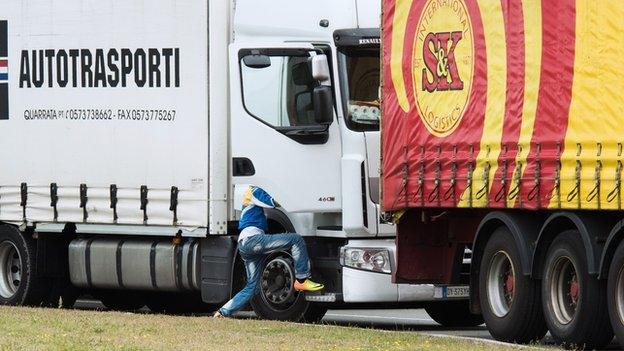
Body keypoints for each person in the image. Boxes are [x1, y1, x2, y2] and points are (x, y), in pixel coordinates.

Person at [214, 186, 323, 318]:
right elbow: (272, 202)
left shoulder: (250, 197)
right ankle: (301, 280)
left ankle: (223, 312)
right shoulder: (253, 190)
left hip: (245, 244)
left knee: (252, 287)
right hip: (253, 241)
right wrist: (296, 197)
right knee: (296, 239)